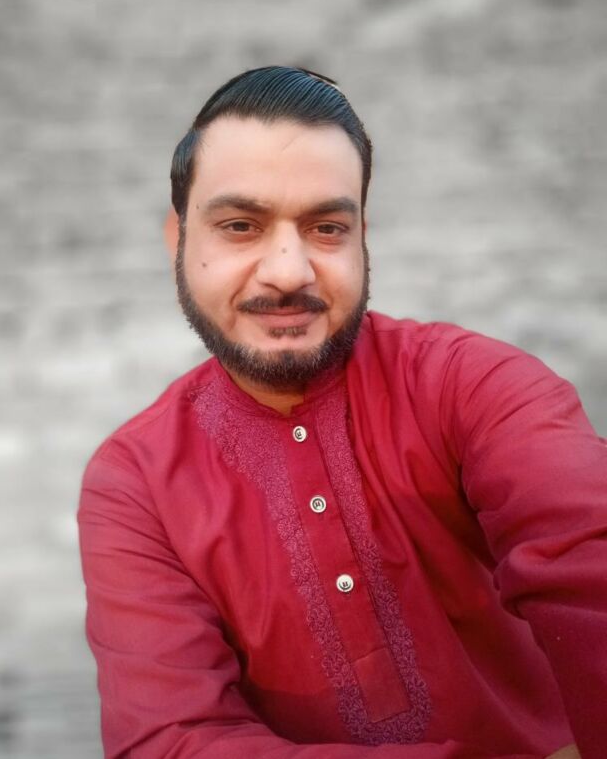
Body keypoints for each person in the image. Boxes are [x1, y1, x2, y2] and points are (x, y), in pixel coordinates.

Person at [78, 66, 605, 759]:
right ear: (178, 239)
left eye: (327, 227)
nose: (288, 270)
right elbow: (170, 742)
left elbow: (589, 566)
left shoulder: (475, 386)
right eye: (240, 226)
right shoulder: (135, 483)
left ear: (362, 240)